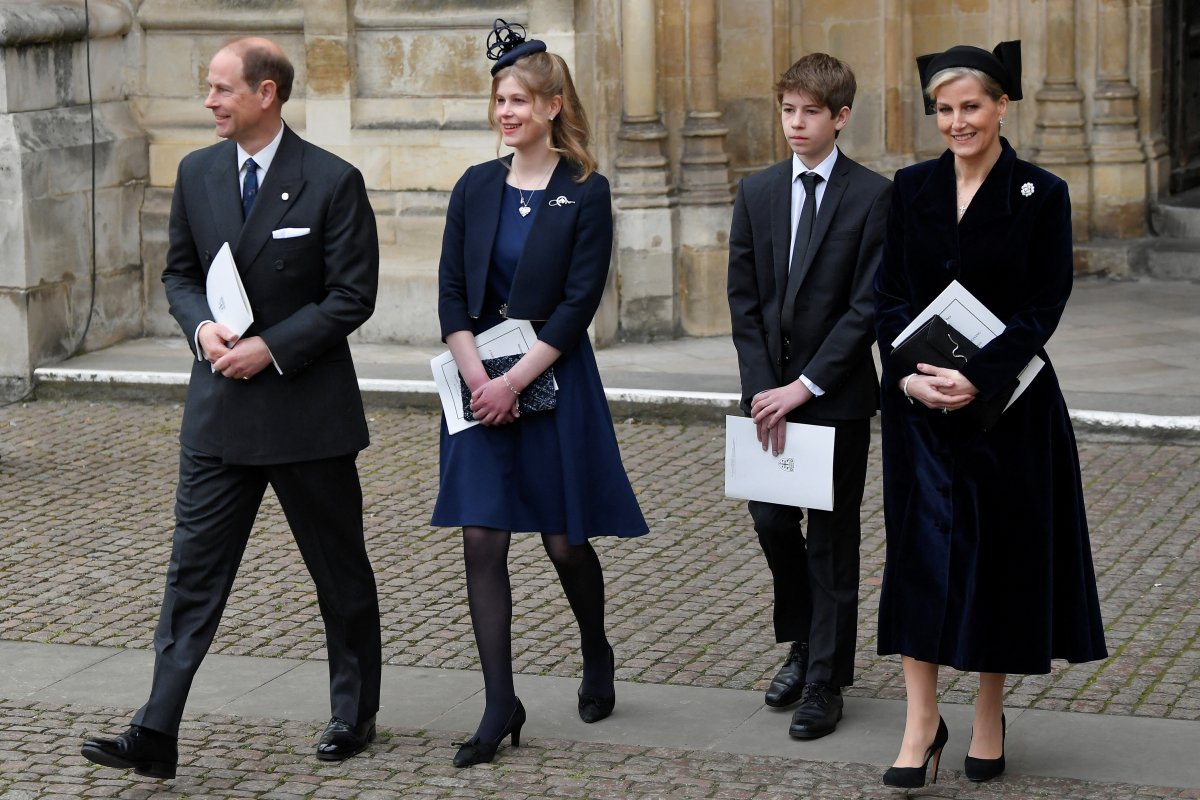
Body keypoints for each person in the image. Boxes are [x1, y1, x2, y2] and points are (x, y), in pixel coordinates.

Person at [81, 37, 383, 779]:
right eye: (208, 89)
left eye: (221, 89)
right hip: (218, 409)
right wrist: (200, 327)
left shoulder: (332, 181)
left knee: (338, 573)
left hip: (305, 413)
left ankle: (354, 710)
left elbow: (352, 295)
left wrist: (271, 348)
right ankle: (155, 728)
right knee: (191, 574)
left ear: (266, 93)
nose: (209, 101)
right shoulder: (197, 173)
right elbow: (180, 274)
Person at [874, 41, 1108, 789]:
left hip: (1010, 413)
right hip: (918, 414)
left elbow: (1045, 303)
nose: (956, 121)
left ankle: (987, 713)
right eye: (944, 109)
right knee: (918, 564)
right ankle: (919, 722)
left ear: (1002, 105)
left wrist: (977, 379)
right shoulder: (909, 189)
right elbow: (887, 300)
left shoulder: (1043, 192)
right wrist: (909, 379)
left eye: (970, 106)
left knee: (999, 564)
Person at [431, 20, 648, 768]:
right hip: (478, 385)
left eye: (520, 100)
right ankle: (500, 703)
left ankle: (596, 648)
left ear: (553, 105)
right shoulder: (474, 186)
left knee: (564, 543)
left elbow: (578, 302)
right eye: (500, 101)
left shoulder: (586, 191)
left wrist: (517, 381)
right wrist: (477, 378)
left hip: (554, 382)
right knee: (481, 541)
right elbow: (452, 292)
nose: (507, 113)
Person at [727, 53, 891, 741]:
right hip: (768, 396)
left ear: (841, 117)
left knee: (831, 541)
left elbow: (866, 307)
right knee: (770, 522)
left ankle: (824, 679)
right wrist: (768, 388)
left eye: (811, 113)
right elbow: (744, 301)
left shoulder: (873, 196)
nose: (796, 124)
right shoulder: (758, 191)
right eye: (788, 110)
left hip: (835, 396)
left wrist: (804, 386)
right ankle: (803, 638)